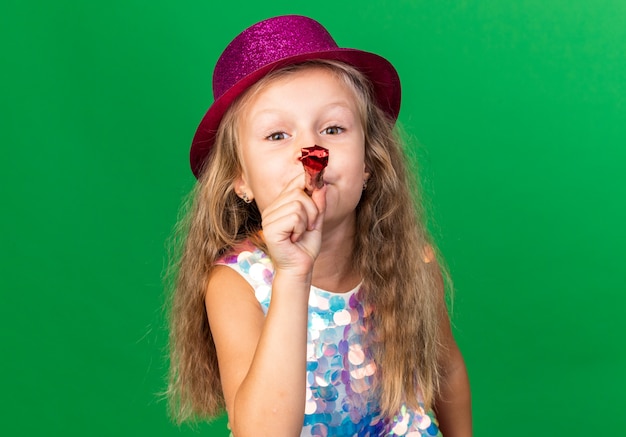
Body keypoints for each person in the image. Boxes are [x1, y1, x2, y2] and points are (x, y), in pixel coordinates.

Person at [166, 15, 471, 437]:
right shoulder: (236, 285)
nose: (313, 150)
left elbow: (447, 371)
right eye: (277, 135)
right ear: (241, 179)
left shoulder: (412, 262)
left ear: (369, 163)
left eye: (333, 128)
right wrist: (293, 272)